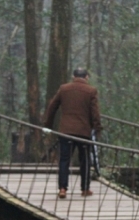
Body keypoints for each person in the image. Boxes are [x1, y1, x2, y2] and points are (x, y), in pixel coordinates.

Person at [43, 67, 103, 198]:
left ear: (73, 76)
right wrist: (97, 128)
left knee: (64, 159)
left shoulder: (64, 89)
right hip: (83, 132)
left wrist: (48, 125)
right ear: (86, 77)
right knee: (85, 160)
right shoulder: (91, 91)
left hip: (66, 131)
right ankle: (85, 188)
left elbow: (52, 107)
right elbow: (95, 113)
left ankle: (62, 188)